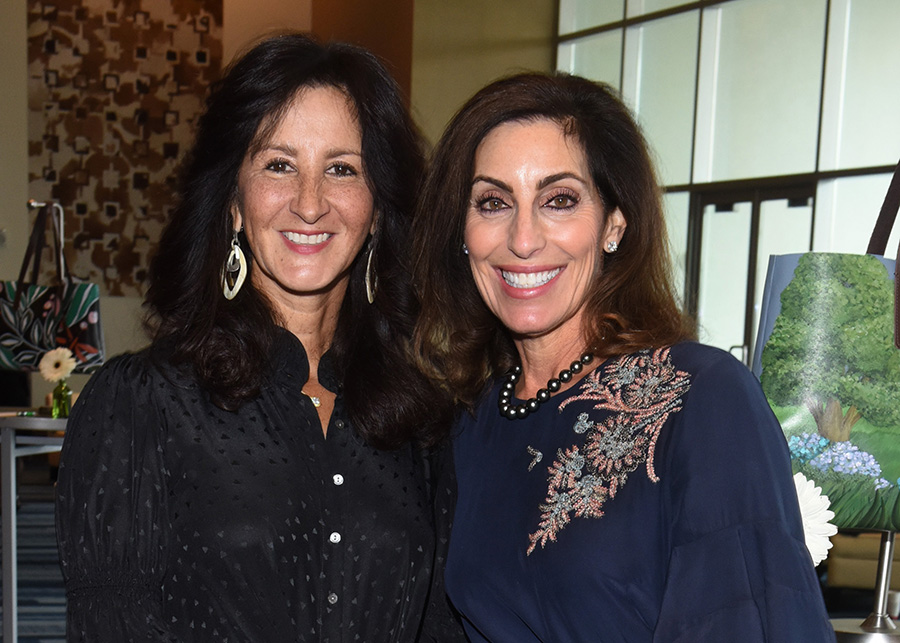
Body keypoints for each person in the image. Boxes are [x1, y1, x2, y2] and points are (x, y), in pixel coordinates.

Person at [56, 33, 463, 642]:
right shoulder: (139, 405)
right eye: (279, 165)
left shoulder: (421, 417)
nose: (310, 203)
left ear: (378, 209)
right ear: (234, 201)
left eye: (342, 169)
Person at [411, 72, 835, 642]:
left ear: (614, 223)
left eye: (559, 200)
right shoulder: (465, 423)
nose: (523, 239)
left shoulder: (701, 398)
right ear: (462, 232)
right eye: (493, 203)